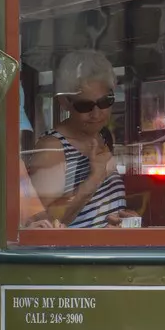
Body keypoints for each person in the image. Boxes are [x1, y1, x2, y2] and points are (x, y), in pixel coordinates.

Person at [28, 50, 129, 227]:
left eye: (105, 101)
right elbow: (43, 223)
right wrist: (93, 179)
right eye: (85, 105)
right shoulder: (53, 148)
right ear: (65, 103)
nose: (97, 114)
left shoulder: (102, 136)